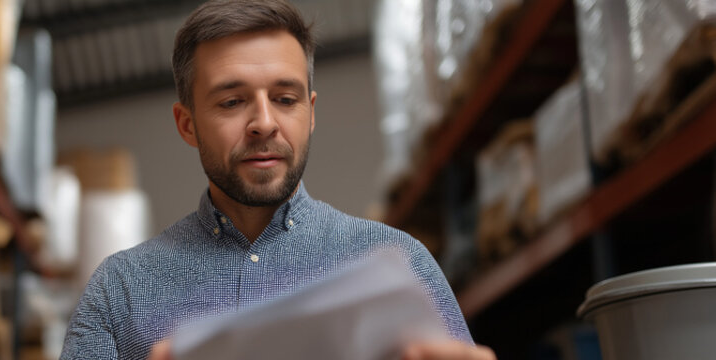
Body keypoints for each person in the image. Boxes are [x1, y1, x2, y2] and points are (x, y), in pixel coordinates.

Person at [61, 1, 495, 359]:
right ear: (187, 124)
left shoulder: (403, 265)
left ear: (310, 113)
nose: (264, 123)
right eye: (232, 102)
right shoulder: (120, 292)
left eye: (285, 99)